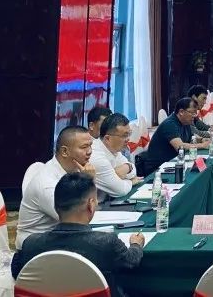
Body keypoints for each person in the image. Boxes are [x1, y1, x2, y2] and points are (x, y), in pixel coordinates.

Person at [11, 173, 144, 297]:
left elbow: (18, 273)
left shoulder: (31, 244)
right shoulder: (107, 243)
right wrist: (136, 244)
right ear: (91, 205)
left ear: (55, 206)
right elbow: (131, 261)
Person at [16, 126, 95, 249]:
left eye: (90, 146)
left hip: (57, 237)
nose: (89, 151)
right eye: (84, 147)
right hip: (35, 248)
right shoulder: (47, 184)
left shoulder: (75, 169)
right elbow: (79, 220)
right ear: (64, 151)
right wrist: (89, 181)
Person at [140, 97, 210, 176]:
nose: (194, 116)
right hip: (157, 169)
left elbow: (189, 139)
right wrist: (202, 145)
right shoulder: (170, 124)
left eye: (195, 113)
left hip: (173, 163)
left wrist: (201, 140)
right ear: (181, 112)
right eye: (192, 113)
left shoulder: (186, 122)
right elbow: (180, 146)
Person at [90, 113, 143, 202]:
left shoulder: (114, 149)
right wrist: (132, 182)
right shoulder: (96, 156)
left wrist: (127, 167)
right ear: (107, 138)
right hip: (97, 206)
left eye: (129, 134)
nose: (128, 139)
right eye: (124, 135)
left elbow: (133, 172)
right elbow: (120, 190)